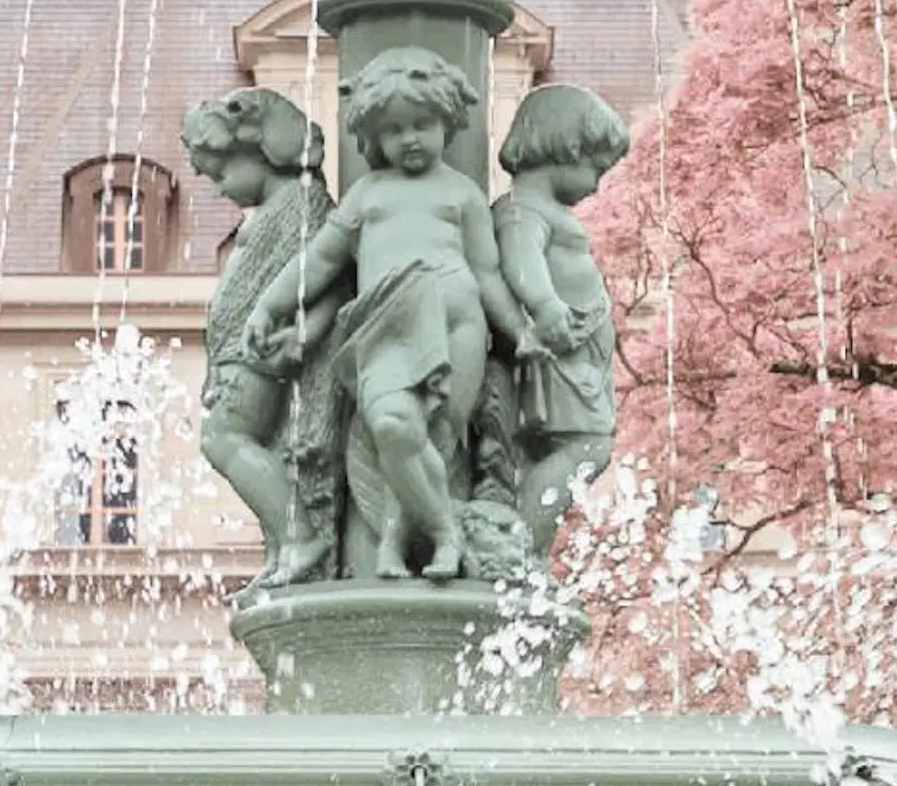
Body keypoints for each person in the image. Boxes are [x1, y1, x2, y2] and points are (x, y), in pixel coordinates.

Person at [264, 48, 538, 583]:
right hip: (385, 326)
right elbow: (319, 259)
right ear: (373, 135)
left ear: (448, 122)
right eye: (394, 130)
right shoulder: (368, 193)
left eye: (423, 124)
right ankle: (446, 532)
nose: (410, 138)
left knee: (436, 439)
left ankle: (393, 540)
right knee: (393, 426)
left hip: (458, 322)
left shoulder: (460, 194)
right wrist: (271, 308)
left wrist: (519, 328)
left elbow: (485, 273)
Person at [184, 87, 338, 587]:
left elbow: (336, 276)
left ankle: (299, 536)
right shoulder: (284, 208)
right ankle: (282, 550)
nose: (221, 189)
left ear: (262, 152)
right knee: (250, 444)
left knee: (225, 439)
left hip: (260, 350)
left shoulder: (303, 205)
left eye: (224, 173)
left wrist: (307, 330)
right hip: (246, 350)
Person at [476, 81, 627, 556]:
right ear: (565, 146)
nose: (598, 184)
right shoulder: (523, 211)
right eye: (594, 168)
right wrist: (544, 306)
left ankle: (526, 544)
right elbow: (523, 261)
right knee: (587, 448)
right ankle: (521, 542)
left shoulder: (539, 210)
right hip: (558, 357)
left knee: (566, 451)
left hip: (575, 360)